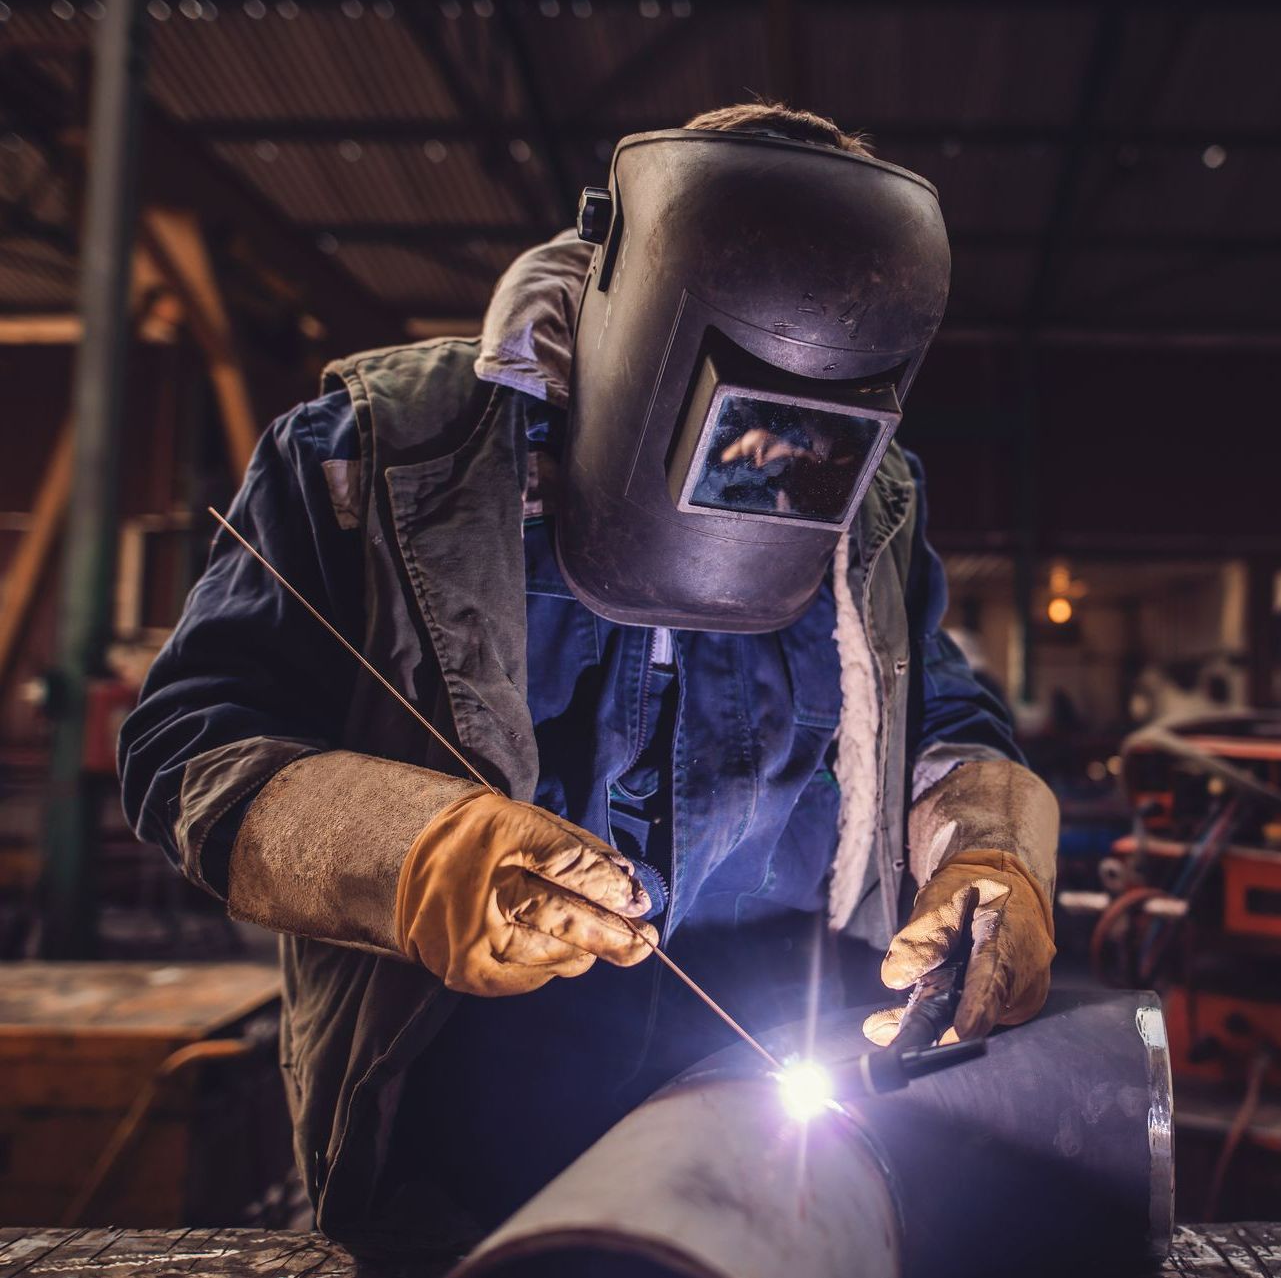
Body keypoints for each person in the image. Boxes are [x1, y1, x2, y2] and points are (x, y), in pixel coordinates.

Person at [118, 102, 1058, 1266]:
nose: (770, 465)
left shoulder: (876, 497)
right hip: (463, 1159)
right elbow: (189, 748)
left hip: (787, 1136)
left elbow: (945, 724)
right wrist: (415, 854)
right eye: (737, 419)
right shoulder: (376, 449)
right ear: (636, 305)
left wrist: (991, 858)